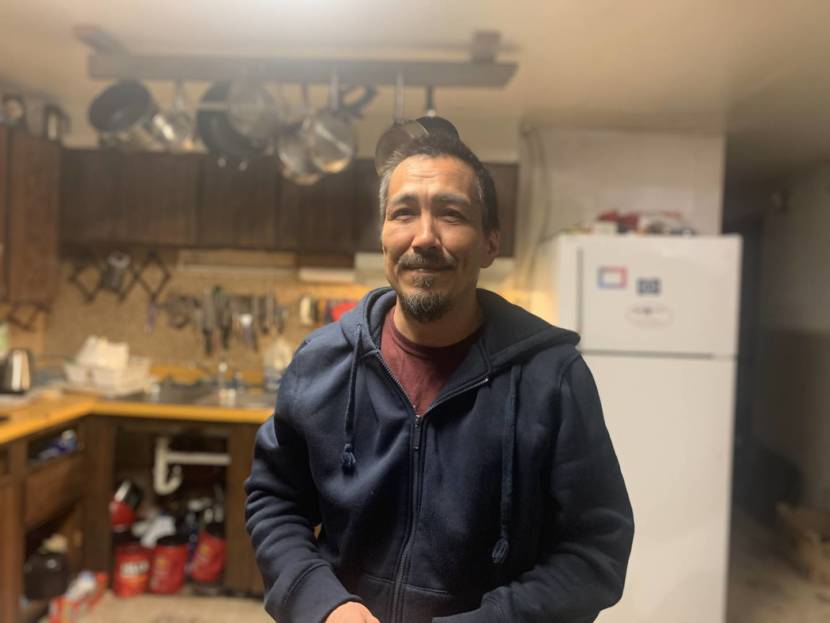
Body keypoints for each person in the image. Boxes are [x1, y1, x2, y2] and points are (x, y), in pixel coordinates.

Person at [245, 124, 634, 623]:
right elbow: (275, 501)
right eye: (404, 213)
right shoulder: (321, 363)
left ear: (491, 242)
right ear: (383, 236)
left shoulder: (551, 378)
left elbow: (594, 551)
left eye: (451, 214)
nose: (424, 238)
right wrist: (321, 603)